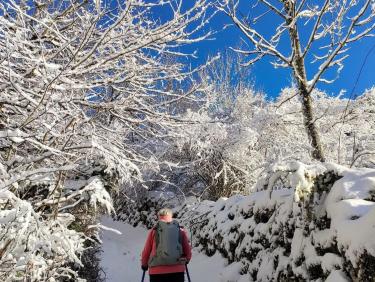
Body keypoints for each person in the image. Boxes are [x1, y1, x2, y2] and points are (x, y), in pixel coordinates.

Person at [141, 208, 192, 282]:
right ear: (171, 216)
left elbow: (146, 251)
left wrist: (144, 264)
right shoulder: (180, 230)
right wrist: (187, 259)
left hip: (157, 272)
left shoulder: (154, 230)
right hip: (177, 271)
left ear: (159, 217)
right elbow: (187, 250)